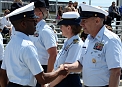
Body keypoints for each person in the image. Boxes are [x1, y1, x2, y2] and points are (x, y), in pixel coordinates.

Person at [0, 2, 68, 87]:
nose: (35, 24)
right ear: (23, 24)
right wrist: (59, 71)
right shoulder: (27, 46)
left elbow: (2, 74)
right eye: (33, 21)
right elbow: (42, 78)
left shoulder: (10, 44)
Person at [63, 4, 122, 87]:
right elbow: (81, 64)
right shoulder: (89, 39)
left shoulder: (110, 40)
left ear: (97, 21)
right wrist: (66, 67)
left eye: (84, 21)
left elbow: (116, 72)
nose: (81, 24)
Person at [48, 12, 83, 87]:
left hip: (68, 82)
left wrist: (50, 85)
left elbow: (65, 71)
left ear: (69, 28)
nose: (60, 28)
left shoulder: (75, 44)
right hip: (62, 81)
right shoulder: (68, 42)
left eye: (62, 26)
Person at [30, 0, 58, 87]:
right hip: (32, 69)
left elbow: (53, 54)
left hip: (42, 69)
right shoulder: (32, 28)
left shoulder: (45, 30)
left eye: (32, 11)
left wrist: (47, 79)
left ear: (39, 13)